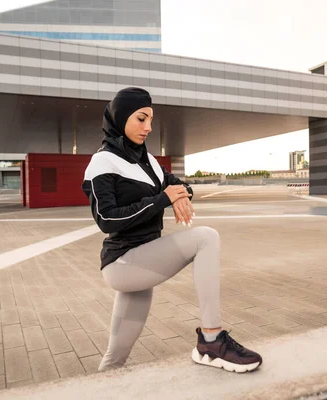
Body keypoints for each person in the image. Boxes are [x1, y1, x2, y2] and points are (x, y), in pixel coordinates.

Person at [82, 87, 262, 373]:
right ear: (121, 116)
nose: (148, 128)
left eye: (151, 120)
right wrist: (163, 199)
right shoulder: (102, 162)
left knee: (114, 360)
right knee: (205, 238)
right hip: (123, 262)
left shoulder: (149, 161)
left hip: (142, 263)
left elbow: (181, 185)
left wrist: (179, 194)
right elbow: (107, 219)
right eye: (141, 119)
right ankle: (212, 341)